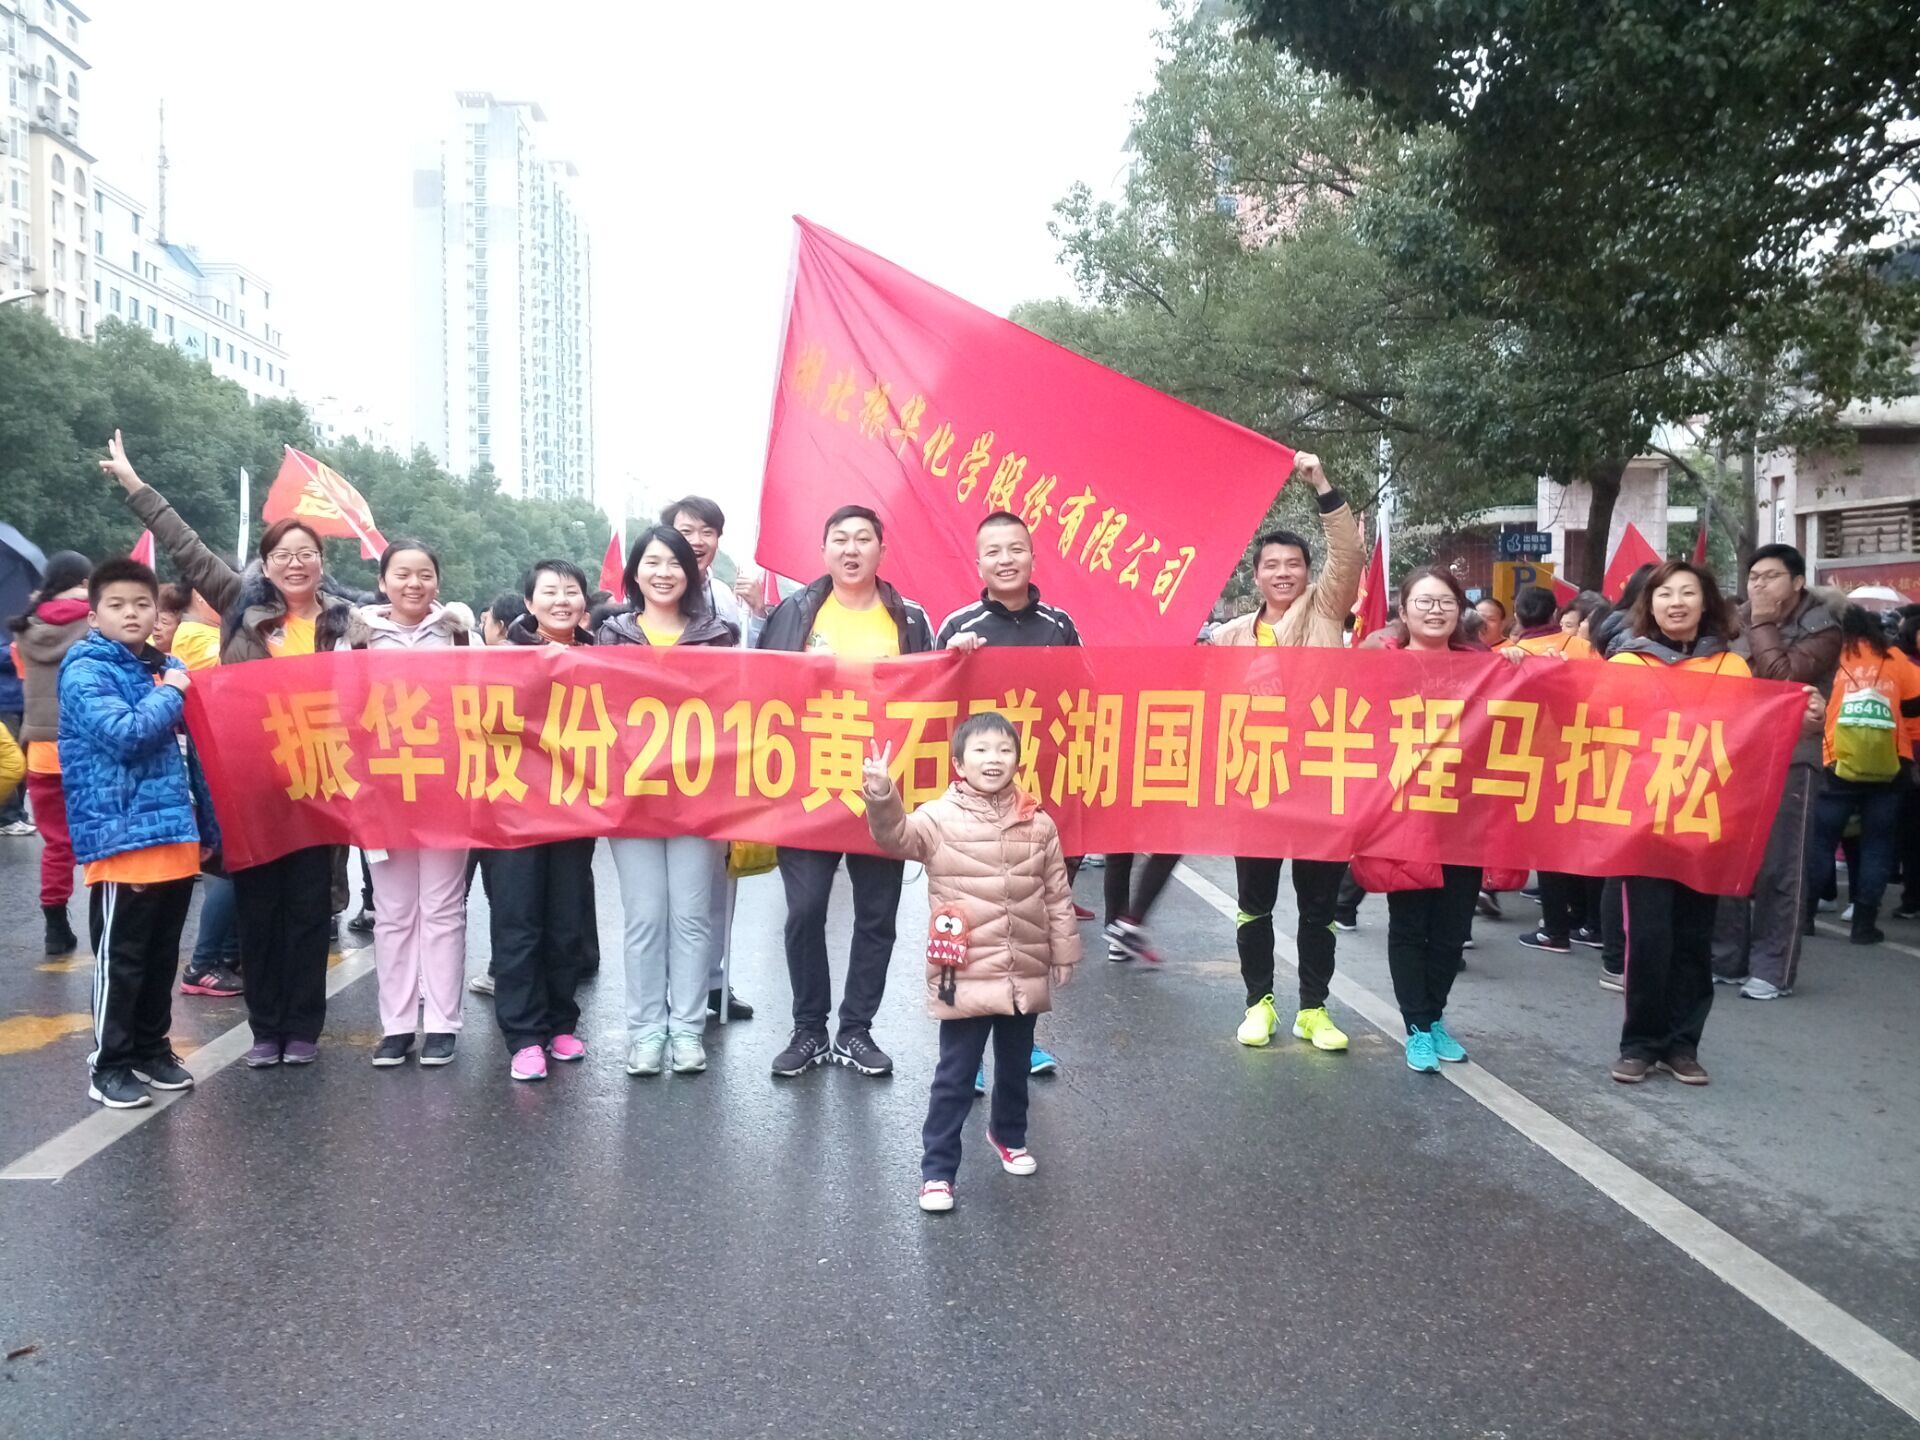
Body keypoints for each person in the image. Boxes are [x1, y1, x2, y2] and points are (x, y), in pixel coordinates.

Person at [102, 430, 353, 1068]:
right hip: (251, 786)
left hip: (320, 786)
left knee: (309, 912)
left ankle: (303, 1028)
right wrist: (136, 487)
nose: (295, 564)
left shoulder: (346, 622)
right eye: (283, 554)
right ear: (265, 565)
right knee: (258, 909)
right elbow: (184, 545)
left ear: (321, 561)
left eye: (306, 554)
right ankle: (266, 1029)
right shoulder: (241, 605)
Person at [863, 714, 1079, 1213]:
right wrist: (881, 794)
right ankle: (937, 1172)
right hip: (962, 971)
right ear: (959, 764)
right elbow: (895, 836)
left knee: (1015, 1065)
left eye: (1004, 750)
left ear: (1017, 760)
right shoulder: (938, 818)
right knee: (955, 1074)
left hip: (1024, 966)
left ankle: (1009, 1135)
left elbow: (1056, 893)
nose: (993, 760)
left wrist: (1065, 950)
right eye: (980, 751)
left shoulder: (1039, 822)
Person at [757, 505, 933, 1078]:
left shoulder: (909, 619)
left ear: (882, 550)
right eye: (840, 539)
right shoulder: (794, 612)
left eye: (863, 539)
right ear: (823, 550)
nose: (851, 549)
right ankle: (809, 1028)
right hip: (807, 788)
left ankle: (856, 1030)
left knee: (876, 916)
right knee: (806, 910)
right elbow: (758, 690)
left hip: (881, 790)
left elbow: (936, 694)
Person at [1607, 561, 1799, 1085]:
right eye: (1665, 593)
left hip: (1707, 821)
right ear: (1650, 605)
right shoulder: (1627, 663)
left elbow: (1750, 738)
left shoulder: (1732, 666)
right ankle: (1639, 1043)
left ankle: (1682, 1044)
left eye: (1687, 593)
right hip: (1644, 823)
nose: (1676, 602)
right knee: (1649, 938)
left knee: (1695, 937)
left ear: (1705, 602)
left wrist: (1794, 712)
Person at [1209, 453, 1364, 1054]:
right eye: (1271, 565)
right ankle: (1259, 1003)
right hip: (1255, 781)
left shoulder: (1324, 610)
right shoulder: (1229, 637)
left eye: (1293, 564)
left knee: (1318, 905)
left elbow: (1347, 554)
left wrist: (1321, 484)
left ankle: (1314, 1010)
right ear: (1256, 576)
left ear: (1307, 573)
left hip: (1320, 778)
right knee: (1255, 903)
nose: (1282, 573)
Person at [57, 558, 217, 1108]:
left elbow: (193, 756)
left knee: (160, 955)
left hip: (176, 834)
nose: (131, 614)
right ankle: (109, 1064)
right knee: (121, 958)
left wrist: (207, 826)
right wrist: (171, 690)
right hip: (123, 838)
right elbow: (125, 735)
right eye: (117, 605)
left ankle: (152, 1049)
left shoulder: (165, 666)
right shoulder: (86, 670)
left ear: (157, 612)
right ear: (94, 615)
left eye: (142, 604)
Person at [936, 509, 1084, 1079]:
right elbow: (928, 701)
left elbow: (1090, 696)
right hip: (972, 810)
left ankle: (1024, 1042)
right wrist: (953, 660)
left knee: (1028, 919)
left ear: (1032, 557)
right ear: (978, 563)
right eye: (994, 551)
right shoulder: (958, 624)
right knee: (970, 923)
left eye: (1015, 549)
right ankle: (966, 1050)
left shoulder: (1059, 625)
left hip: (1036, 796)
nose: (1006, 560)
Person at [598, 526, 739, 1077]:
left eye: (674, 563)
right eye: (652, 562)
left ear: (692, 572)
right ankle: (645, 1032)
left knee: (691, 916)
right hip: (630, 797)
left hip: (697, 796)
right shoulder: (612, 635)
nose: (663, 573)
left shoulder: (717, 637)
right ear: (635, 572)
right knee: (644, 917)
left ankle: (686, 1029)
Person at [345, 541, 473, 1067]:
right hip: (382, 791)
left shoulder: (460, 635)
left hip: (447, 789)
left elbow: (489, 701)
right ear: (383, 582)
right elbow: (337, 710)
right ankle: (396, 1026)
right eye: (401, 574)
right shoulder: (357, 640)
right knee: (393, 912)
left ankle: (442, 1023)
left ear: (437, 582)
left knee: (443, 909)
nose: (413, 584)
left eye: (424, 574)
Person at [1372, 568, 1500, 1071]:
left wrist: (1526, 665)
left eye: (1445, 601)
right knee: (1409, 924)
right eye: (1423, 602)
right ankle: (1416, 1026)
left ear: (1459, 610)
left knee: (1452, 929)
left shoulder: (1484, 667)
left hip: (1463, 819)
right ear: (1404, 612)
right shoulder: (1380, 667)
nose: (1435, 610)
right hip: (1404, 818)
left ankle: (1434, 1015)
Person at [1710, 544, 1844, 999]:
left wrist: (1764, 622)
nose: (1759, 585)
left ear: (1798, 582)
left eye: (1771, 576)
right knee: (1727, 858)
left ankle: (1773, 968)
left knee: (1780, 865)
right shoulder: (1732, 620)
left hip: (1791, 755)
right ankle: (1726, 957)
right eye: (1754, 577)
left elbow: (1782, 679)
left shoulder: (1822, 627)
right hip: (1735, 750)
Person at [486, 559, 600, 1082]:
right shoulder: (502, 660)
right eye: (549, 592)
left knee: (565, 920)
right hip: (512, 809)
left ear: (584, 603)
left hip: (573, 808)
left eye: (571, 591)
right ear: (529, 604)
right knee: (518, 921)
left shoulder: (602, 660)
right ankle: (524, 1035)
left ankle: (560, 1023)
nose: (561, 600)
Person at [661, 495, 758, 1021]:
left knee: (719, 877)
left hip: (720, 754)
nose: (697, 541)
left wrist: (759, 612)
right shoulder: (650, 597)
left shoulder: (727, 598)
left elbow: (758, 667)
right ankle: (673, 984)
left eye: (707, 532)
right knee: (667, 889)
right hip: (661, 760)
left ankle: (714, 981)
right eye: (686, 530)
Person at [1805, 605, 1920, 948]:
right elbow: (1916, 703)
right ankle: (1864, 925)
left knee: (1822, 841)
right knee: (1877, 845)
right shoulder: (1895, 658)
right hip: (1891, 765)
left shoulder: (1833, 656)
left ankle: (1805, 916)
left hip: (1837, 761)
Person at [10, 549, 91, 953]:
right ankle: (106, 919)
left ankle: (55, 928)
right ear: (85, 582)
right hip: (87, 746)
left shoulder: (25, 628)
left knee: (57, 843)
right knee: (100, 835)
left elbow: (24, 676)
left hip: (41, 749)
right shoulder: (94, 621)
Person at [0, 645, 28, 835]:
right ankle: (6, 817)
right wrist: (21, 648)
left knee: (22, 760)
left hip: (22, 699)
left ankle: (18, 812)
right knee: (9, 762)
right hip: (4, 701)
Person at [152, 584, 189, 656]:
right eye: (155, 620)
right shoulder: (140, 650)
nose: (156, 627)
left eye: (164, 622)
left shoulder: (181, 660)